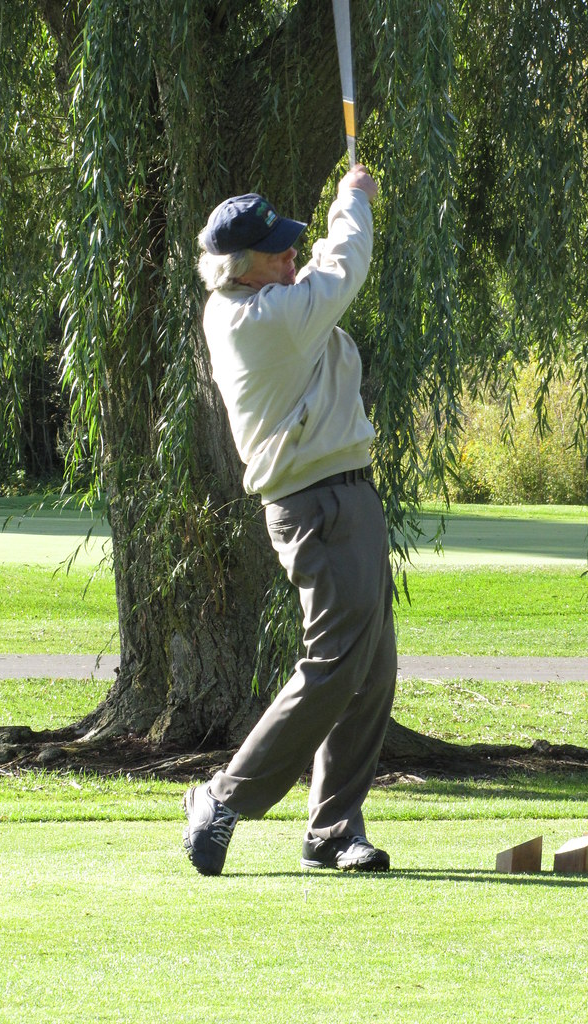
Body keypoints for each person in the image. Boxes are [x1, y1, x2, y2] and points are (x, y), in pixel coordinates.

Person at [183, 164, 397, 875]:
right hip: (319, 505)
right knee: (335, 668)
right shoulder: (265, 319)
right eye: (277, 251)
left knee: (371, 671)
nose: (290, 256)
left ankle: (333, 830)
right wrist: (351, 200)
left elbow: (324, 286)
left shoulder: (262, 303)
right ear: (242, 271)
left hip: (346, 498)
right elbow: (342, 269)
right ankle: (223, 796)